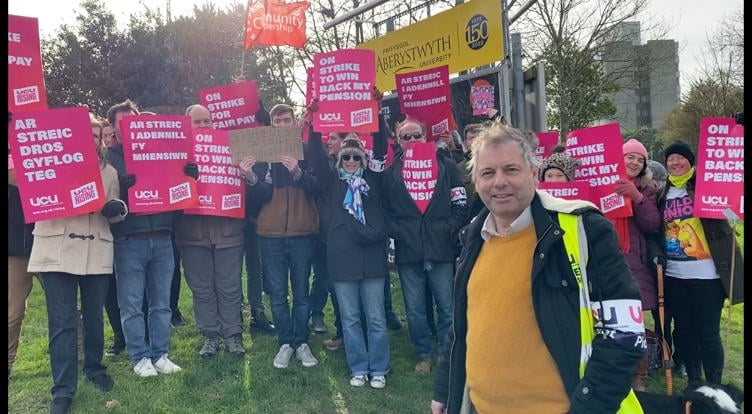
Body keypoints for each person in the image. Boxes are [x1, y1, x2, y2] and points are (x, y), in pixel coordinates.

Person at [431, 122, 645, 414]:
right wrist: (445, 389)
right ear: (476, 181)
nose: (499, 182)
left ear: (533, 173)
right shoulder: (473, 235)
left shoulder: (585, 228)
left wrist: (588, 408)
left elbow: (625, 335)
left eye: (511, 169)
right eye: (488, 173)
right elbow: (460, 325)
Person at [27, 113, 128, 414]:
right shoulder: (46, 163)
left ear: (101, 141)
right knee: (62, 322)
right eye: (85, 133)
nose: (92, 140)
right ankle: (62, 388)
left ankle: (95, 368)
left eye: (97, 136)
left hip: (96, 248)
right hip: (56, 248)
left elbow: (115, 210)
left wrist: (116, 209)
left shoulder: (109, 171)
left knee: (95, 316)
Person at [105, 99, 196, 377]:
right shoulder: (108, 159)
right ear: (113, 127)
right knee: (131, 303)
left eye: (132, 120)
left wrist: (189, 177)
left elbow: (179, 197)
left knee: (161, 302)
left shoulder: (165, 151)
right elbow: (102, 201)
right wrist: (120, 185)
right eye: (122, 122)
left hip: (162, 235)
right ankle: (139, 356)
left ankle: (160, 353)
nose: (129, 126)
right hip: (129, 239)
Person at [650, 140, 743, 386]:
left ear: (690, 162)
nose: (675, 162)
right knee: (684, 331)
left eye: (681, 158)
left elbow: (730, 173)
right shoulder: (663, 193)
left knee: (708, 333)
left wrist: (738, 131)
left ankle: (714, 385)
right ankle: (694, 383)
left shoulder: (706, 186)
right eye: (670, 159)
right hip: (675, 276)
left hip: (708, 276)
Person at [382, 118, 467, 375]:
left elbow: (460, 201)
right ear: (398, 142)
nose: (411, 141)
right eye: (405, 137)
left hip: (440, 248)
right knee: (415, 309)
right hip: (409, 251)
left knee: (446, 306)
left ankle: (447, 352)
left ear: (424, 136)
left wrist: (448, 226)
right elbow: (384, 210)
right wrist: (398, 231)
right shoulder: (390, 173)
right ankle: (423, 354)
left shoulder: (447, 165)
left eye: (415, 135)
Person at [240, 103, 320, 369]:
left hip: (302, 233)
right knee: (276, 294)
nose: (283, 125)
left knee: (301, 292)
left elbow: (319, 187)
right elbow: (260, 197)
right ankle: (285, 342)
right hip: (270, 234)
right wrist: (251, 177)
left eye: (287, 120)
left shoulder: (307, 150)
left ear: (294, 122)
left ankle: (302, 341)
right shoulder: (263, 155)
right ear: (271, 126)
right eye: (278, 122)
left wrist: (298, 172)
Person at [309, 132, 391, 388]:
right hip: (342, 257)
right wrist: (312, 125)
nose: (352, 160)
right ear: (339, 159)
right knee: (350, 318)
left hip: (372, 258)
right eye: (346, 156)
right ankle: (358, 367)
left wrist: (377, 117)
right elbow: (315, 157)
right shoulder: (331, 182)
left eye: (357, 156)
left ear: (363, 159)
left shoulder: (375, 182)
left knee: (376, 317)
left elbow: (381, 149)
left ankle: (378, 368)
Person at [173, 104, 246, 358]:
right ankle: (210, 336)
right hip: (192, 234)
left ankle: (233, 335)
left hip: (228, 231)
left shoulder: (230, 147)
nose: (204, 126)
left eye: (208, 121)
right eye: (198, 122)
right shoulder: (176, 153)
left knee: (229, 286)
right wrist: (183, 176)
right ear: (187, 124)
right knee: (202, 288)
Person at [612, 138, 661, 391]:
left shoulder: (646, 189)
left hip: (635, 263)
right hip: (607, 258)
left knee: (635, 323)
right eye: (630, 156)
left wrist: (638, 198)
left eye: (639, 159)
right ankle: (615, 373)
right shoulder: (605, 183)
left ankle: (638, 377)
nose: (634, 162)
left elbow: (652, 223)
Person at [8, 112, 38, 379]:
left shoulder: (40, 145)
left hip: (46, 241)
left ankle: (80, 357)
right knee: (13, 310)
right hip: (15, 247)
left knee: (63, 306)